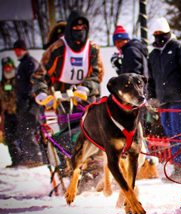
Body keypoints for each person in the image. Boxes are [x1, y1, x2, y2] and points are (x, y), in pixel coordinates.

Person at [31, 10, 104, 174]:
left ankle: (95, 169)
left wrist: (86, 87)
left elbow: (97, 75)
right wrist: (42, 93)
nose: (80, 30)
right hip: (63, 102)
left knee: (91, 134)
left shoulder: (93, 49)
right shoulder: (57, 48)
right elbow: (39, 75)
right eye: (76, 27)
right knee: (67, 138)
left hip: (87, 100)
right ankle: (70, 169)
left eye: (83, 26)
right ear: (70, 28)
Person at [148, 17, 181, 182]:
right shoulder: (153, 54)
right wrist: (152, 97)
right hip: (163, 101)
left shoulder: (179, 48)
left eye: (160, 33)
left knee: (179, 134)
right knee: (170, 135)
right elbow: (151, 78)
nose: (158, 36)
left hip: (178, 99)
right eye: (155, 34)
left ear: (167, 32)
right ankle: (177, 168)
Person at [13, 39, 44, 167]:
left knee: (29, 131)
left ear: (24, 49)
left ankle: (36, 159)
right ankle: (31, 158)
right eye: (15, 50)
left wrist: (31, 101)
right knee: (24, 131)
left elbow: (36, 82)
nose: (17, 52)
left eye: (19, 49)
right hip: (23, 104)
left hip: (31, 105)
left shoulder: (30, 63)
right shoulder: (22, 64)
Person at [0, 57, 20, 167]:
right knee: (9, 137)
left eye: (8, 66)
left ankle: (23, 160)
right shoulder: (3, 82)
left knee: (20, 136)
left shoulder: (18, 80)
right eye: (5, 66)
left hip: (19, 113)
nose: (7, 68)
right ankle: (15, 161)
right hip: (7, 114)